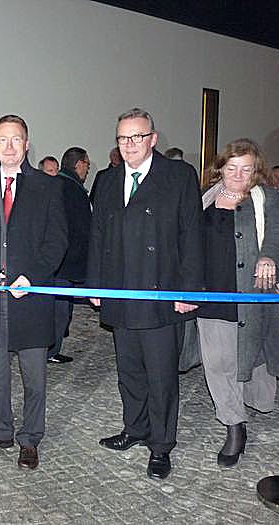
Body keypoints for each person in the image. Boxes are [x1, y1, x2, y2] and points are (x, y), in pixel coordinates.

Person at [86, 108, 203, 480]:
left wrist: (188, 290)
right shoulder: (107, 179)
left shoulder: (179, 176)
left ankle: (161, 445)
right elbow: (97, 235)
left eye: (137, 136)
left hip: (161, 291)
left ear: (153, 138)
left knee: (161, 376)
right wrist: (95, 284)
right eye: (123, 138)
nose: (129, 144)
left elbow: (192, 235)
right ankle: (134, 428)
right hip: (120, 289)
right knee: (129, 370)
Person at [0, 114, 67, 470]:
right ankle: (0, 431)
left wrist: (32, 276)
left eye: (16, 139)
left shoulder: (48, 187)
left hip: (31, 297)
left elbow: (57, 241)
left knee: (34, 377)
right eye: (3, 140)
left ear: (26, 144)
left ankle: (30, 438)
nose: (9, 146)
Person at [197, 139, 279, 468]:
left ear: (256, 171)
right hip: (211, 293)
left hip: (252, 294)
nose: (238, 175)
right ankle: (234, 425)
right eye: (232, 167)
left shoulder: (265, 198)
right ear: (220, 168)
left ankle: (252, 401)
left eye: (246, 169)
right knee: (217, 361)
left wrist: (269, 257)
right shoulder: (205, 197)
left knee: (252, 355)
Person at [48, 147, 91, 364]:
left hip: (56, 260)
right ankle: (51, 350)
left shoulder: (56, 184)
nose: (88, 170)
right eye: (87, 165)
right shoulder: (73, 189)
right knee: (59, 309)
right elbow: (82, 228)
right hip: (66, 262)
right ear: (78, 164)